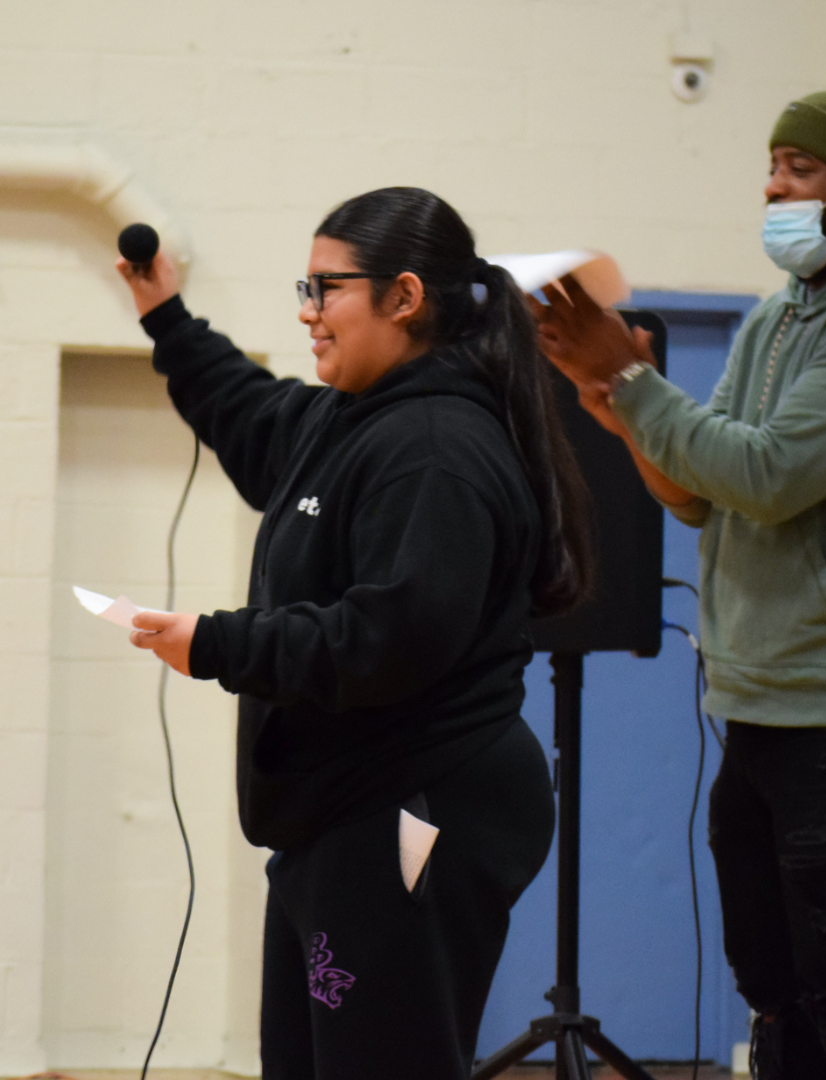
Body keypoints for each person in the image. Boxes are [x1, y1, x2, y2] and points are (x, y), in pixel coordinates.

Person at [531, 91, 826, 1080]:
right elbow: (695, 493)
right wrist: (614, 402)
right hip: (768, 699)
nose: (772, 186)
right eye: (770, 165)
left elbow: (766, 478)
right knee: (776, 990)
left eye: (799, 168)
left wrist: (639, 390)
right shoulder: (776, 319)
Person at [116, 187, 593, 1080]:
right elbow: (249, 411)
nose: (307, 311)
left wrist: (217, 643)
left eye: (325, 288)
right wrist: (166, 315)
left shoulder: (437, 448)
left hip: (413, 811)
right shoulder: (349, 418)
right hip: (340, 819)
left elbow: (388, 640)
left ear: (404, 297)